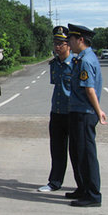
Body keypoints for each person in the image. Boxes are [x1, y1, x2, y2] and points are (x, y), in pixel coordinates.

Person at [66, 23, 107, 207]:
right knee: (77, 153)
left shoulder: (85, 61)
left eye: (71, 40)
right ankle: (83, 188)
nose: (68, 43)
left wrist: (98, 111)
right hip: (78, 112)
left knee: (86, 155)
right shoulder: (81, 58)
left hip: (84, 113)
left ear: (80, 40)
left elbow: (89, 89)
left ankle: (93, 195)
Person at [38, 26, 74, 192]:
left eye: (61, 43)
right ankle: (55, 182)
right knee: (57, 150)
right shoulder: (55, 64)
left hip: (73, 113)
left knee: (77, 152)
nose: (57, 46)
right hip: (57, 112)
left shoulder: (75, 64)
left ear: (68, 44)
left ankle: (82, 185)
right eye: (55, 43)